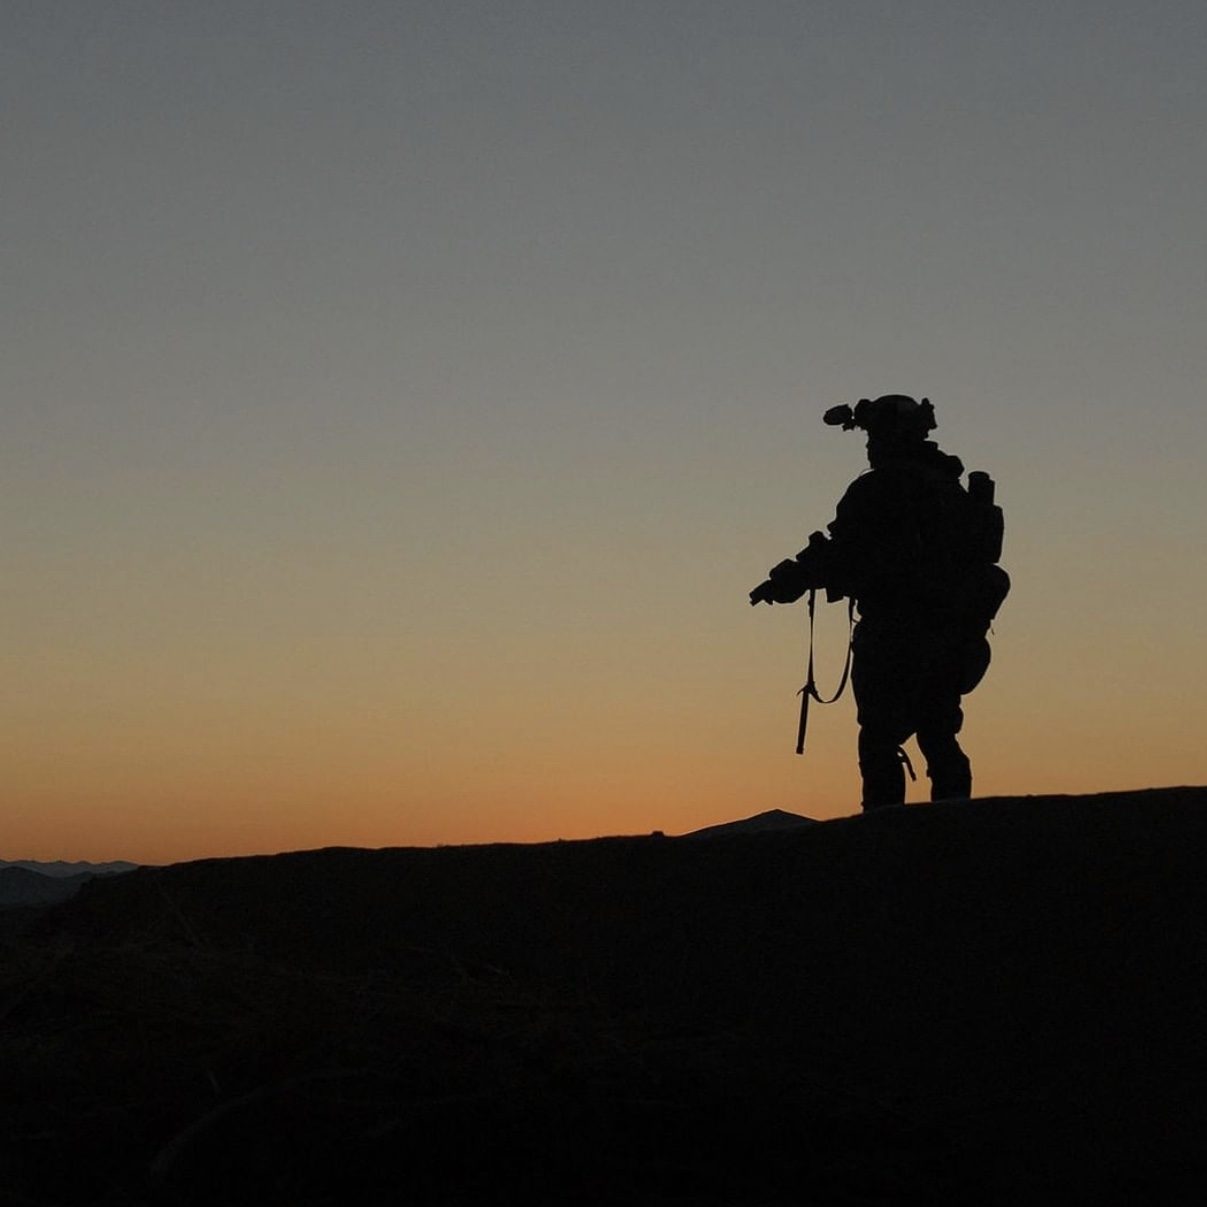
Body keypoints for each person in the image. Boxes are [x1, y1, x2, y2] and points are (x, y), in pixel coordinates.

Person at [749, 395, 1008, 810]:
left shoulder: (881, 487)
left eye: (874, 436)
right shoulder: (952, 492)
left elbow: (844, 551)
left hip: (897, 634)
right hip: (953, 638)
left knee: (879, 739)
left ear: (892, 436)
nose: (869, 446)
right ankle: (956, 826)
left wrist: (788, 581)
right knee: (939, 733)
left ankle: (885, 836)